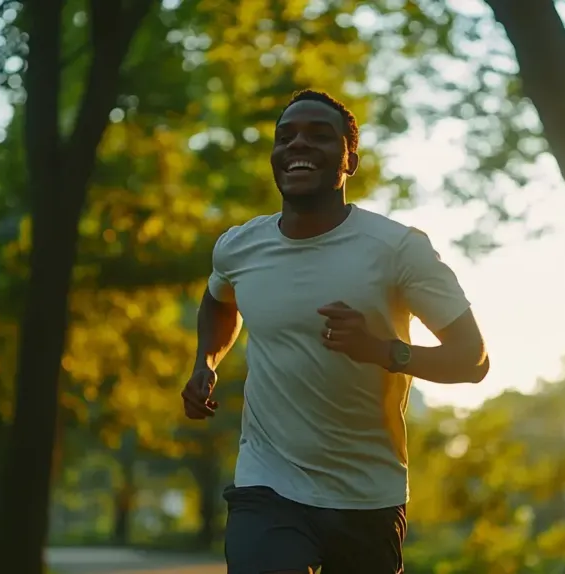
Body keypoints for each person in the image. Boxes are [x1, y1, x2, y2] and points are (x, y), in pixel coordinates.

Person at [181, 89, 489, 574]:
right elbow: (219, 304)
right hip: (268, 482)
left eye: (320, 136)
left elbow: (473, 360)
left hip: (367, 493)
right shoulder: (240, 248)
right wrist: (206, 362)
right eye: (286, 137)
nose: (298, 145)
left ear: (351, 160)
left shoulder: (396, 249)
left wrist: (383, 350)